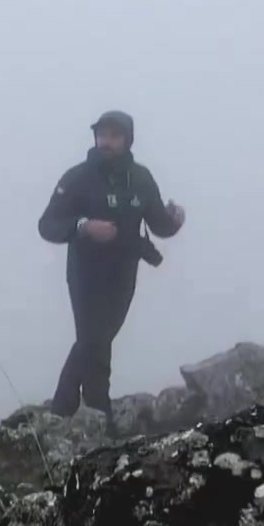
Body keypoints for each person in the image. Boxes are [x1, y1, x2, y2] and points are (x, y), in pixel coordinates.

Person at [37, 110, 186, 420]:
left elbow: (158, 222)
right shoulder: (78, 177)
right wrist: (84, 227)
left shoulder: (141, 178)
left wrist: (174, 222)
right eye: (102, 135)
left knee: (98, 340)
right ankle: (88, 410)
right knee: (93, 339)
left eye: (114, 136)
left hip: (123, 271)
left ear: (128, 140)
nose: (106, 142)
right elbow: (48, 224)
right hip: (86, 272)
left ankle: (71, 412)